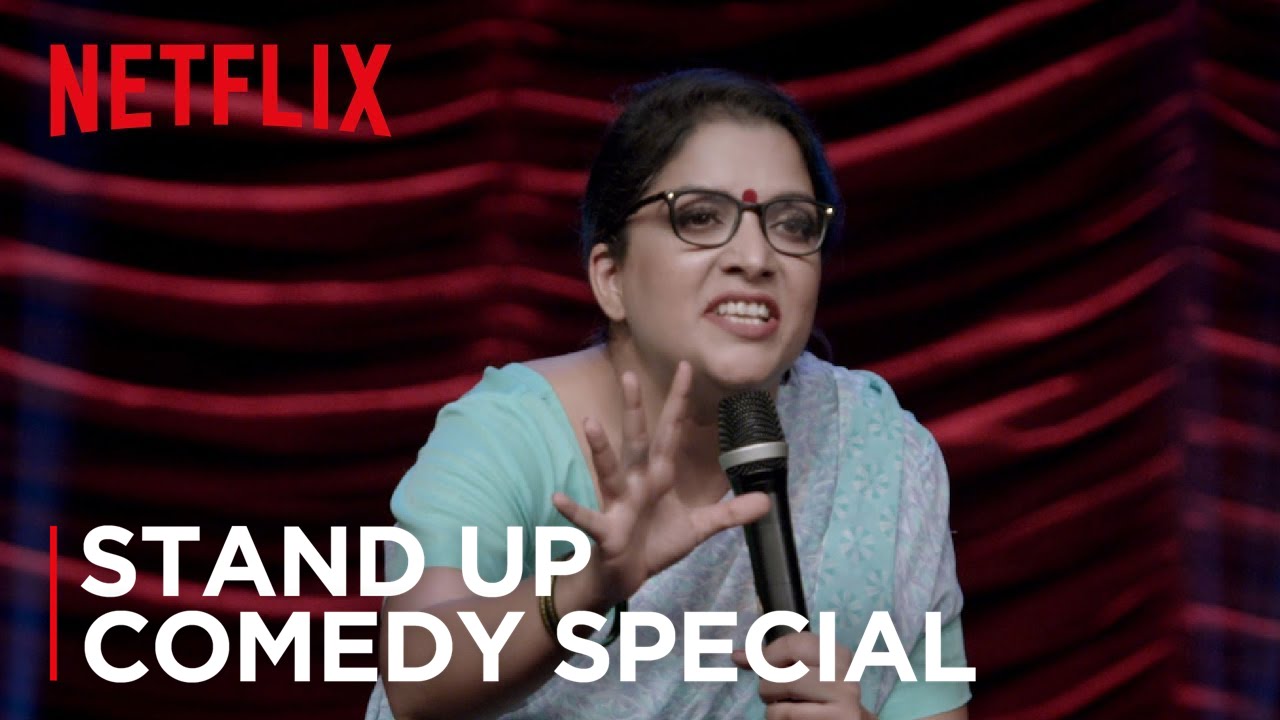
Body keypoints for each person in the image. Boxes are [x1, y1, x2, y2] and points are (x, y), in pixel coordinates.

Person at [364, 68, 970, 720]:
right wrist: (591, 584)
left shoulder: (883, 454)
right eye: (701, 217)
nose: (755, 258)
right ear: (612, 278)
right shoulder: (506, 433)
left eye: (793, 224)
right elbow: (416, 678)